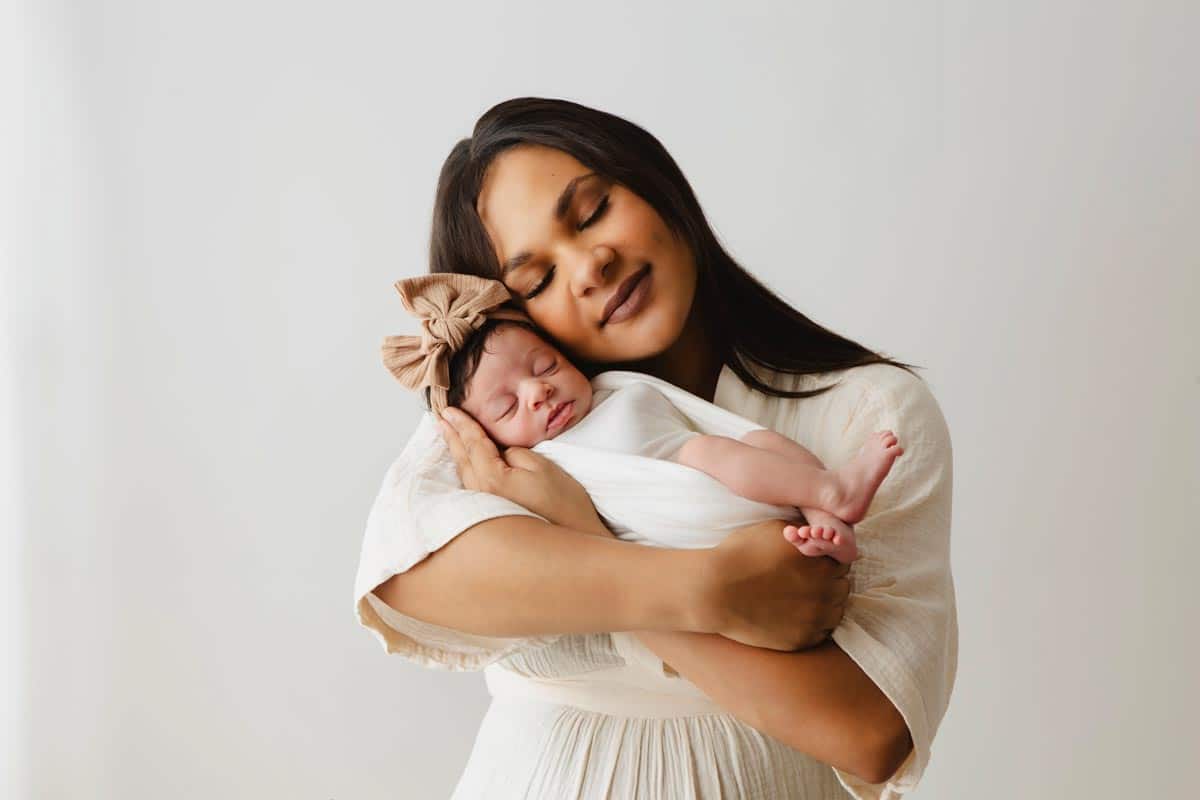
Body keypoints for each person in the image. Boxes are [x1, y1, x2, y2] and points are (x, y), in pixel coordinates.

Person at [354, 97, 956, 799]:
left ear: (654, 181)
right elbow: (404, 578)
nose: (590, 267)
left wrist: (578, 536)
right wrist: (711, 591)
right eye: (538, 280)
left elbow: (869, 733)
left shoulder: (867, 413)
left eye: (592, 213)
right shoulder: (498, 418)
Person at [383, 272, 909, 565]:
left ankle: (826, 510)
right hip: (685, 508)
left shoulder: (613, 388)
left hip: (728, 463)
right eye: (507, 406)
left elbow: (707, 420)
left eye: (546, 366)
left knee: (758, 441)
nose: (538, 392)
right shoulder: (539, 465)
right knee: (711, 450)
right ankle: (832, 494)